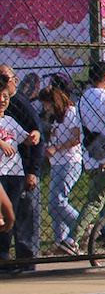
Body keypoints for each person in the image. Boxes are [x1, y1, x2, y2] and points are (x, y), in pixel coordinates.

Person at [69, 61, 105, 241]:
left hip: (90, 155)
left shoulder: (81, 100)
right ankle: (72, 239)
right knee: (96, 200)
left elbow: (77, 130)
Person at [34, 79, 84, 255]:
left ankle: (82, 227)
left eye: (46, 105)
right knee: (54, 204)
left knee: (57, 202)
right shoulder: (56, 118)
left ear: (54, 101)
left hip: (69, 161)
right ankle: (61, 241)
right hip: (56, 162)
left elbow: (77, 138)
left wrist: (56, 147)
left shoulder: (70, 112)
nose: (46, 108)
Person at [0, 65, 42, 271]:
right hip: (2, 174)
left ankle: (20, 262)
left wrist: (34, 136)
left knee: (16, 215)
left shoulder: (13, 115)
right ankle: (3, 257)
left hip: (16, 173)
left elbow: (28, 137)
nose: (3, 99)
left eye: (5, 96)